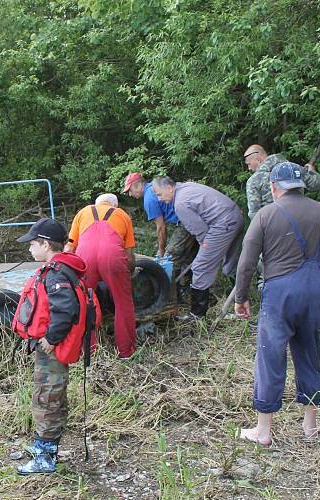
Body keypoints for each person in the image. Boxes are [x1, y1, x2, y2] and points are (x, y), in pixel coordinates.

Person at [234, 162, 320, 445]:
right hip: (318, 292)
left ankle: (263, 431)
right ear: (301, 186)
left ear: (274, 188)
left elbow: (247, 261)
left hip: (281, 293)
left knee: (270, 356)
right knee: (311, 354)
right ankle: (310, 427)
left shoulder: (266, 214)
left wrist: (241, 297)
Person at [13, 218, 90, 474]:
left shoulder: (56, 273)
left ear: (45, 244)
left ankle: (45, 458)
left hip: (53, 349)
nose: (29, 249)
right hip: (52, 347)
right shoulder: (60, 269)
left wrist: (50, 339)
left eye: (33, 244)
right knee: (52, 397)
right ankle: (45, 447)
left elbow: (65, 309)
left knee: (46, 399)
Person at [151, 177, 244, 318]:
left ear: (170, 188)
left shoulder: (180, 204)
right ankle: (242, 302)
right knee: (230, 264)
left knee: (200, 267)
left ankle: (197, 316)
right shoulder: (185, 186)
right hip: (234, 216)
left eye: (159, 194)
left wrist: (205, 246)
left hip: (223, 224)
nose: (159, 199)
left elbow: (201, 231)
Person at [66, 193, 136, 358]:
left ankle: (86, 351)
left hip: (85, 258)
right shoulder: (123, 215)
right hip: (113, 257)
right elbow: (130, 256)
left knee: (83, 303)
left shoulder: (83, 212)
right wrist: (128, 273)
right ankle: (126, 352)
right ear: (115, 206)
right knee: (122, 304)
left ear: (96, 204)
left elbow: (69, 248)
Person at [122, 172, 199, 274]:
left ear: (139, 185)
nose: (130, 194)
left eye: (130, 190)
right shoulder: (154, 189)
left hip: (185, 223)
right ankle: (189, 285)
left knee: (169, 259)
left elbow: (161, 227)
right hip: (194, 218)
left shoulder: (149, 198)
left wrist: (161, 250)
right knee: (189, 258)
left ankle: (167, 288)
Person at [243, 145, 320, 219]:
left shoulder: (253, 181)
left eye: (249, 164)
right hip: (300, 221)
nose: (249, 168)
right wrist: (312, 172)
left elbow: (254, 214)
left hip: (274, 227)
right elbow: (319, 184)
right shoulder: (295, 169)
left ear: (258, 160)